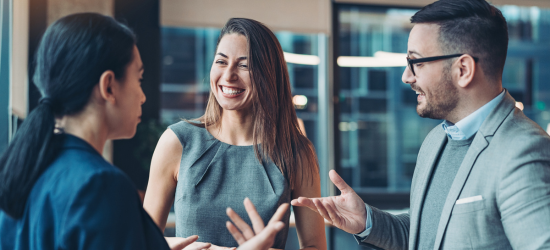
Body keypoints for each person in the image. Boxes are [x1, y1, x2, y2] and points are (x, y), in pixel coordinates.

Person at [0, 13, 285, 250]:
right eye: (138, 79)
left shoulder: (26, 167)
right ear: (109, 86)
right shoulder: (101, 184)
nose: (143, 96)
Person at [292, 0, 550, 249]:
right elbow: (424, 235)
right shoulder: (436, 140)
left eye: (417, 62)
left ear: (463, 69)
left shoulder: (523, 151)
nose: (406, 76)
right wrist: (367, 221)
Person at [143, 18, 327, 250]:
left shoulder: (297, 152)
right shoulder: (177, 142)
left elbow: (315, 246)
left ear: (269, 75)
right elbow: (142, 242)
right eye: (221, 61)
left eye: (244, 65)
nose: (228, 75)